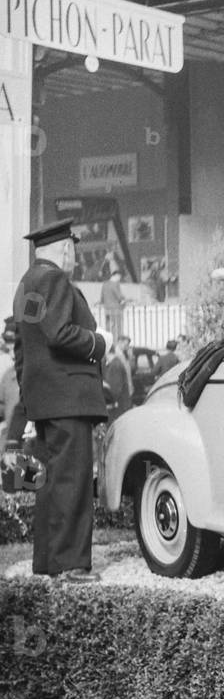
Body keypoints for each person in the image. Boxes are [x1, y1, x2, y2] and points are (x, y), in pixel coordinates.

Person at [12, 218, 112, 582]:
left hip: (45, 401)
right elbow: (59, 334)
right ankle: (71, 564)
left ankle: (48, 562)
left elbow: (22, 351)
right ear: (66, 249)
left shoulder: (27, 285)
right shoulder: (55, 279)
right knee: (73, 483)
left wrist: (30, 396)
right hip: (69, 399)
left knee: (50, 485)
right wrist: (99, 342)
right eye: (74, 249)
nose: (75, 257)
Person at [103, 339, 132, 421]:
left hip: (119, 409)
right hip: (118, 407)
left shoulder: (115, 366)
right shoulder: (112, 364)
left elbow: (114, 391)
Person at [100, 269, 127, 339]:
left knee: (108, 327)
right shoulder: (115, 284)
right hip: (116, 309)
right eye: (119, 277)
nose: (119, 279)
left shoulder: (105, 284)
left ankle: (109, 340)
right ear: (117, 276)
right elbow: (119, 297)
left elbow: (102, 298)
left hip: (107, 309)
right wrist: (124, 302)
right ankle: (117, 341)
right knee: (118, 327)